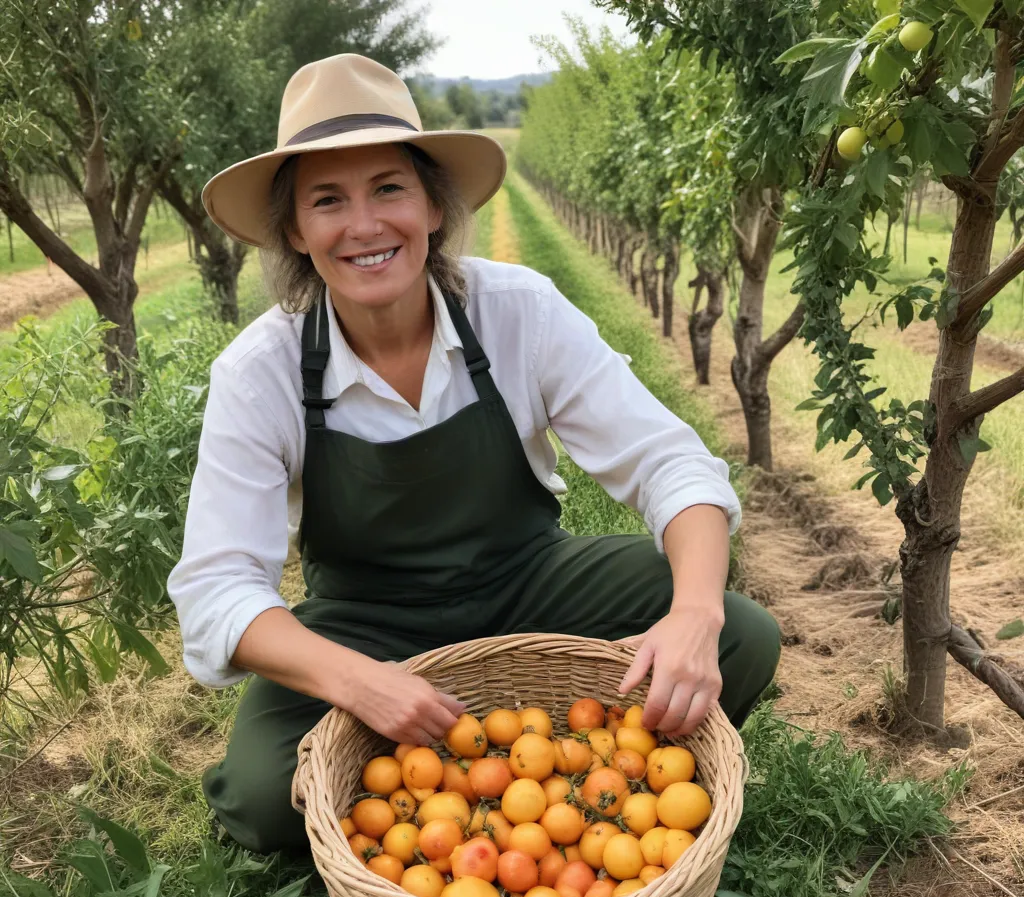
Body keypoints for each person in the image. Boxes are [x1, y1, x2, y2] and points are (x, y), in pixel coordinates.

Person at [168, 53, 781, 856]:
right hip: (368, 621)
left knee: (741, 636)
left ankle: (560, 750)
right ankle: (457, 755)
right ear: (295, 229)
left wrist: (695, 614)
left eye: (389, 187)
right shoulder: (263, 371)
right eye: (328, 200)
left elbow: (671, 464)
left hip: (529, 581)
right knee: (259, 800)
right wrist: (359, 682)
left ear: (431, 203)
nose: (364, 225)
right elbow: (217, 591)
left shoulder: (515, 311)